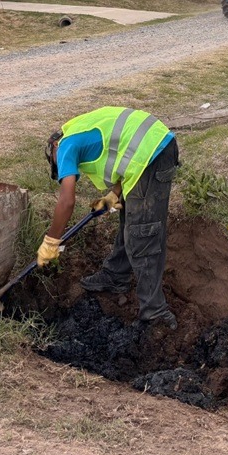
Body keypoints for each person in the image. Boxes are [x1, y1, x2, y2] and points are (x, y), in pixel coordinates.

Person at [38, 106, 179, 330]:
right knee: (131, 219)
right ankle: (116, 276)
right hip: (152, 148)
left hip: (153, 154)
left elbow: (66, 201)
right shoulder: (78, 130)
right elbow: (125, 149)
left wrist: (51, 241)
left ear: (54, 147)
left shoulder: (64, 147)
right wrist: (114, 193)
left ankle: (156, 314)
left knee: (142, 235)